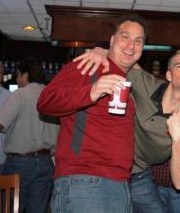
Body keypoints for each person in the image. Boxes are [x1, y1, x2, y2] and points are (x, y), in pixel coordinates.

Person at [37, 14, 147, 213]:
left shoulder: (129, 79)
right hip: (84, 180)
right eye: (125, 37)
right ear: (112, 40)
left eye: (138, 41)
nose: (131, 45)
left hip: (120, 183)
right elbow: (45, 101)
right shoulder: (89, 65)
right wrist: (91, 92)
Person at [75, 47, 180, 213]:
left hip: (138, 175)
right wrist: (103, 51)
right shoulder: (148, 85)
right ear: (168, 75)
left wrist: (179, 139)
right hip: (103, 168)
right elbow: (126, 61)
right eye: (179, 66)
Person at [0, 58, 59, 213]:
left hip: (20, 162)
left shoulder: (20, 95)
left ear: (25, 75)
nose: (17, 79)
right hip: (46, 161)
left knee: (10, 208)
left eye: (18, 75)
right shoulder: (53, 95)